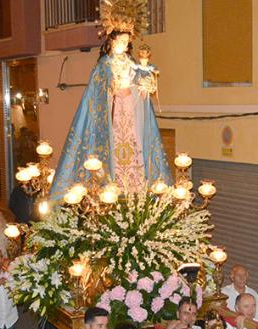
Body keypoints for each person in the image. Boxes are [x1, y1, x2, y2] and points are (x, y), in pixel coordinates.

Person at [49, 3, 172, 199]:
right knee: (113, 154)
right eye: (121, 40)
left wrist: (146, 86)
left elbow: (143, 87)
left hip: (131, 118)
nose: (124, 44)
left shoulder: (132, 64)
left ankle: (137, 186)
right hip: (112, 119)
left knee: (135, 151)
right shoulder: (104, 66)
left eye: (127, 40)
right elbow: (97, 95)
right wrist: (113, 90)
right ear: (112, 39)